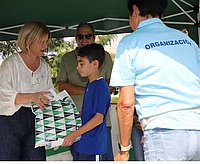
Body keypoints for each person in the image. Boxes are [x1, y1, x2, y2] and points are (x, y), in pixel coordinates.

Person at [110, 0, 200, 161]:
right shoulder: (188, 41)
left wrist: (124, 150)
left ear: (135, 11)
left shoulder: (130, 43)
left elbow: (125, 104)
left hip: (164, 133)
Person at [0, 21, 54, 160]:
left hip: (35, 119)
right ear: (29, 40)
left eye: (46, 41)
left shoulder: (44, 67)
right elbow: (3, 95)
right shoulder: (10, 63)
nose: (45, 46)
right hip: (7, 120)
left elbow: (49, 93)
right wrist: (33, 96)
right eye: (42, 41)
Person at [56, 22, 114, 160]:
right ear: (76, 39)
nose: (84, 39)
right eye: (80, 36)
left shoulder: (99, 86)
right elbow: (60, 85)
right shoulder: (90, 85)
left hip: (94, 142)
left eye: (88, 36)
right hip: (81, 135)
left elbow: (98, 118)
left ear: (95, 64)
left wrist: (75, 134)